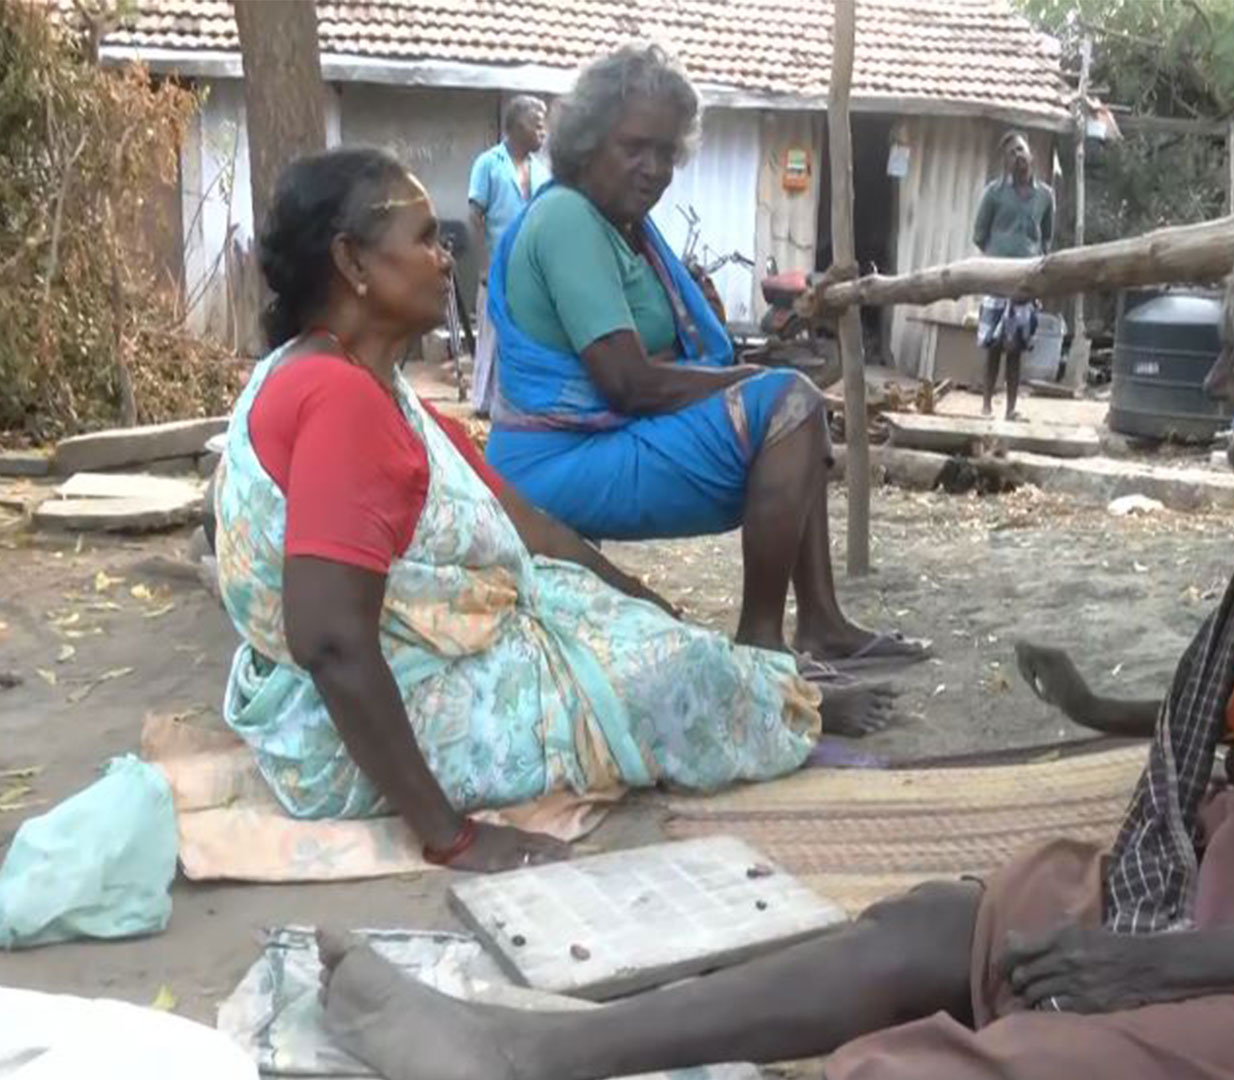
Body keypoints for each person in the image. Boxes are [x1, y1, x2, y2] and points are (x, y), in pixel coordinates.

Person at [312, 197, 1234, 1080]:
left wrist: (1162, 972)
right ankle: (527, 1051)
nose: (1221, 383)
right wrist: (1125, 716)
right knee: (934, 930)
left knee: (1037, 1061)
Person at [211, 147, 896, 875]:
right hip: (343, 737)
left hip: (398, 675)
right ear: (351, 262)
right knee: (670, 677)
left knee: (632, 622)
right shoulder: (337, 398)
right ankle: (783, 711)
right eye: (422, 239)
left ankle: (762, 687)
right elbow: (331, 642)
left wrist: (634, 594)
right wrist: (452, 836)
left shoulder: (359, 382)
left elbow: (518, 517)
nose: (446, 258)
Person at [483, 44, 925, 669]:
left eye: (666, 152)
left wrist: (762, 383)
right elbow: (628, 384)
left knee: (793, 410)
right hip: (553, 465)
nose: (654, 168)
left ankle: (821, 621)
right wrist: (754, 378)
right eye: (634, 147)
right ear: (588, 142)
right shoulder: (568, 221)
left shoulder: (620, 227)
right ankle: (761, 648)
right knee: (789, 402)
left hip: (595, 443)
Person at [468, 96, 548, 417]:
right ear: (515, 126)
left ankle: (510, 401)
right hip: (497, 266)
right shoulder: (489, 163)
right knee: (491, 331)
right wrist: (484, 265)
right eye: (537, 123)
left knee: (522, 334)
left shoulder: (541, 171)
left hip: (528, 269)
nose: (544, 130)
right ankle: (482, 405)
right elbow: (475, 216)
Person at [973, 132, 1055, 421]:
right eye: (1011, 153)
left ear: (1031, 154)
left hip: (1026, 280)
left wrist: (1038, 277)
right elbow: (979, 235)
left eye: (1021, 150)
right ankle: (985, 405)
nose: (1018, 156)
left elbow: (1045, 239)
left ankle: (1011, 408)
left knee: (1016, 346)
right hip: (997, 278)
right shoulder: (994, 193)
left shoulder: (1045, 195)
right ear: (1005, 163)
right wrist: (999, 258)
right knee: (993, 344)